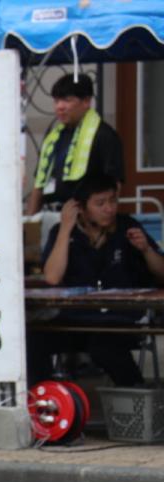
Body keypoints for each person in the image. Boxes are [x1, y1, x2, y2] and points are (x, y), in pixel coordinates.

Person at [28, 175, 164, 386]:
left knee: (104, 345)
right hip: (76, 320)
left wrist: (146, 250)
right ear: (80, 208)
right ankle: (45, 402)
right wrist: (65, 228)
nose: (109, 208)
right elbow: (52, 277)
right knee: (34, 340)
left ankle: (137, 400)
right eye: (100, 203)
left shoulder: (127, 227)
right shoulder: (63, 233)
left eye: (112, 201)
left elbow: (161, 271)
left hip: (119, 321)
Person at [26, 73, 124, 215]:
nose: (59, 107)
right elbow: (39, 185)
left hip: (84, 219)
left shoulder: (104, 135)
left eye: (67, 100)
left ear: (86, 101)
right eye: (56, 101)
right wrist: (29, 222)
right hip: (50, 215)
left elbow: (114, 185)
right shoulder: (53, 138)